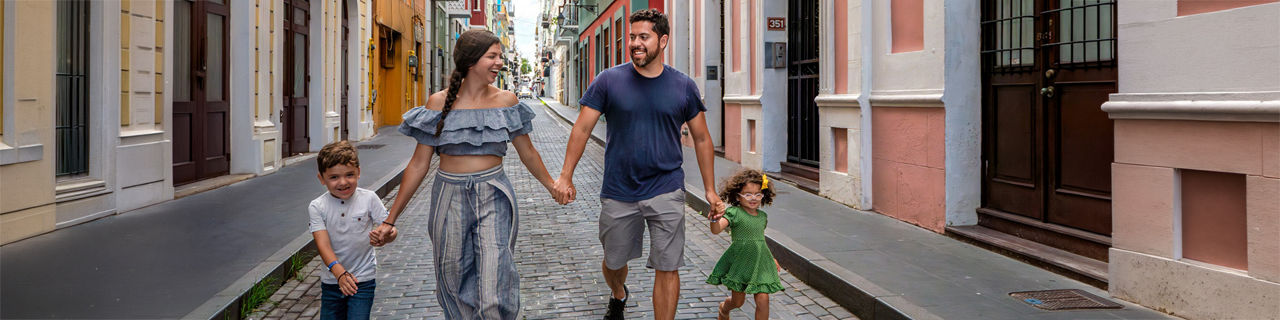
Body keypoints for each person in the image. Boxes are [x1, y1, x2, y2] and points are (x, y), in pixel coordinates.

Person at [371, 29, 561, 319]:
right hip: (449, 195)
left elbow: (528, 152)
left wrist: (552, 185)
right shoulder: (437, 103)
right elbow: (419, 164)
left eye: (500, 56)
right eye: (492, 56)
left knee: (495, 279)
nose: (500, 62)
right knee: (452, 276)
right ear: (471, 61)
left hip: (494, 194)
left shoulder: (506, 100)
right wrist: (389, 219)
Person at [551, 9, 725, 320]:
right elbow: (581, 128)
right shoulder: (608, 81)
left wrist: (710, 190)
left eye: (643, 37)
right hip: (620, 189)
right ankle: (618, 292)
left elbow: (701, 138)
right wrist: (565, 176)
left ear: (663, 40)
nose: (634, 43)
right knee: (614, 261)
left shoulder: (683, 86)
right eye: (632, 37)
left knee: (668, 265)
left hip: (666, 187)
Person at [309, 140, 398, 320]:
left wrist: (385, 236)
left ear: (358, 172)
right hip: (332, 281)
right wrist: (339, 273)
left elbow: (391, 229)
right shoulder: (317, 206)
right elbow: (323, 244)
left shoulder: (369, 199)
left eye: (349, 175)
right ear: (322, 178)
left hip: (362, 280)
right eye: (334, 177)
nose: (343, 182)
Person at [706, 169, 783, 320]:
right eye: (748, 194)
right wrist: (714, 219)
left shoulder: (762, 217)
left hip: (760, 263)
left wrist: (771, 258)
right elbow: (716, 230)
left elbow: (760, 240)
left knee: (763, 300)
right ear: (737, 196)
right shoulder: (734, 213)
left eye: (758, 194)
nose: (753, 198)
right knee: (738, 301)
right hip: (741, 263)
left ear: (763, 196)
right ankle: (724, 309)